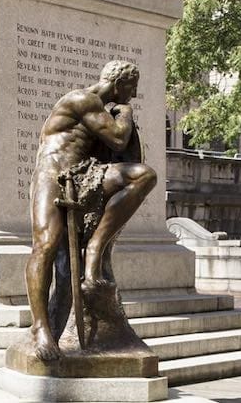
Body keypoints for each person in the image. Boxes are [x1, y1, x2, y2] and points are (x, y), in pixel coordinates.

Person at [24, 60, 158, 361]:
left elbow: (126, 151)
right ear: (119, 83)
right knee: (45, 246)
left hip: (86, 173)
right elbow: (117, 138)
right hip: (53, 175)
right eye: (132, 89)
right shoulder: (82, 99)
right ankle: (41, 328)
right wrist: (126, 113)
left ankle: (96, 248)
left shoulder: (100, 110)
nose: (132, 96)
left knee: (143, 175)